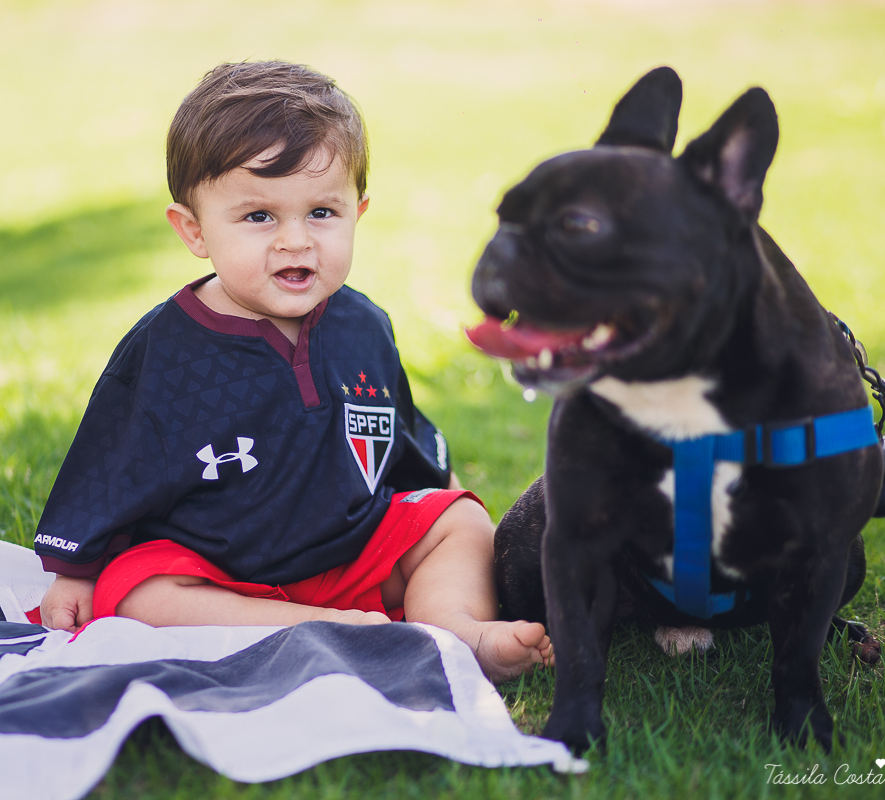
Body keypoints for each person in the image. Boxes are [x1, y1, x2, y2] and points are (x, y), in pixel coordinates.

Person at [32, 61, 552, 682]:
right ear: (194, 230)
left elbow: (395, 435)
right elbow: (110, 462)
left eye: (321, 213)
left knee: (459, 519)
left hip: (350, 553)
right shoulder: (165, 350)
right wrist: (76, 568)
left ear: (358, 211)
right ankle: (317, 629)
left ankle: (454, 632)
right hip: (219, 569)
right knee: (134, 589)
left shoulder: (364, 325)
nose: (295, 241)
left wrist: (436, 497)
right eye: (259, 217)